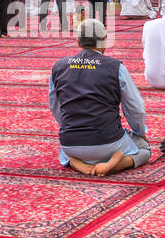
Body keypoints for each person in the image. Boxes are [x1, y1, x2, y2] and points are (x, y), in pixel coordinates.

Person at [49, 18, 150, 176]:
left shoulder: (58, 67)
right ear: (104, 41)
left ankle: (76, 162)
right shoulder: (116, 67)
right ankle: (113, 165)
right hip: (108, 141)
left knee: (66, 151)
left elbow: (55, 106)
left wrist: (71, 127)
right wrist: (139, 131)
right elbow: (135, 107)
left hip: (71, 144)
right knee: (144, 149)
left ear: (78, 42)